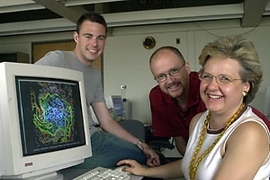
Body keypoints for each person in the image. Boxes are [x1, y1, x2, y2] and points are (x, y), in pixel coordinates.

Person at [117, 36, 270, 180]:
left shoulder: (250, 133)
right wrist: (144, 171)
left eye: (224, 78)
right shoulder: (198, 121)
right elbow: (190, 164)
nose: (212, 86)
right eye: (207, 76)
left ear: (246, 86)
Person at [35, 12, 160, 169]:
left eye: (100, 38)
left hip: (92, 139)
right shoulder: (58, 59)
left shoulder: (94, 75)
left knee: (144, 155)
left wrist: (141, 144)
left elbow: (106, 121)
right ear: (76, 37)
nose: (94, 43)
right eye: (88, 36)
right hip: (62, 142)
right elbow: (23, 85)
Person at [149, 46, 206, 155]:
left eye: (174, 71)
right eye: (161, 76)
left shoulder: (207, 88)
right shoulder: (157, 97)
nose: (170, 81)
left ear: (187, 68)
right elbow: (179, 140)